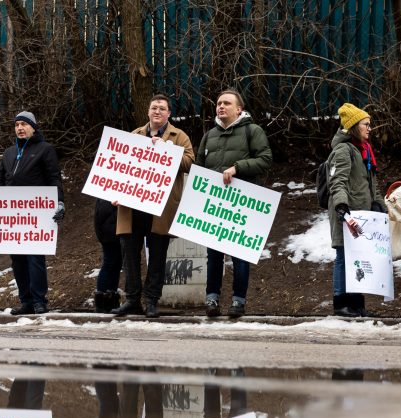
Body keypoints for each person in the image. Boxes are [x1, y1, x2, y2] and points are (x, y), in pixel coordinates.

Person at [112, 95, 195, 318]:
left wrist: (167, 152)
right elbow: (120, 167)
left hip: (161, 208)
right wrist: (114, 193)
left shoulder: (179, 136)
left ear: (169, 114)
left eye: (162, 108)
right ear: (148, 112)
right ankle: (131, 300)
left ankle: (151, 301)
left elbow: (190, 163)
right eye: (153, 108)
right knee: (130, 256)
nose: (157, 111)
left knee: (157, 257)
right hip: (133, 207)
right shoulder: (134, 135)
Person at [196, 89, 272, 318]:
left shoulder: (252, 131)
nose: (221, 106)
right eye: (218, 103)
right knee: (214, 254)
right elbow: (199, 167)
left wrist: (237, 167)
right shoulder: (209, 136)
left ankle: (238, 301)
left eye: (226, 103)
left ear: (239, 109)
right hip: (215, 205)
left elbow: (265, 159)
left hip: (242, 204)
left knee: (240, 254)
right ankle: (212, 300)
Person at [0, 111, 65, 315]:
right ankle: (25, 301)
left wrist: (59, 202)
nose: (20, 128)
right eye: (17, 125)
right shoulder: (8, 153)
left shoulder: (45, 150)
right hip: (12, 218)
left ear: (34, 127)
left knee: (35, 258)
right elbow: (0, 182)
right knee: (17, 260)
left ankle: (39, 300)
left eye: (24, 124)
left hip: (37, 216)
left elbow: (54, 177)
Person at [326, 103, 387, 317]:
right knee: (344, 256)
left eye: (370, 124)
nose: (370, 128)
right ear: (353, 127)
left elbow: (373, 185)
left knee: (359, 258)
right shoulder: (343, 150)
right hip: (346, 214)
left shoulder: (364, 150)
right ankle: (341, 303)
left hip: (363, 215)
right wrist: (342, 207)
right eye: (366, 125)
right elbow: (337, 181)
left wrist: (379, 204)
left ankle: (357, 303)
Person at [92, 198, 121, 312]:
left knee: (116, 264)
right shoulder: (106, 196)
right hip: (110, 232)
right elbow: (103, 215)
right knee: (110, 263)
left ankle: (110, 297)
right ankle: (104, 298)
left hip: (111, 231)